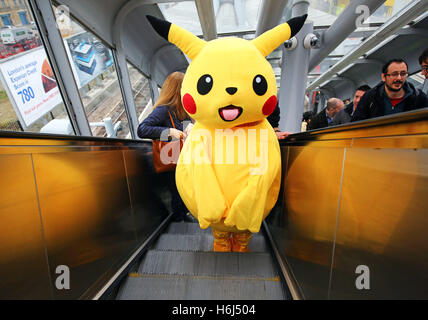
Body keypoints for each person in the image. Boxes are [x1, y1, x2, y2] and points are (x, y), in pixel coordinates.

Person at [137, 71, 193, 222]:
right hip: (169, 159)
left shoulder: (182, 110)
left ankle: (184, 216)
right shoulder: (164, 110)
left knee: (183, 190)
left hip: (182, 159)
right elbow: (142, 130)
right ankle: (179, 219)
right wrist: (169, 132)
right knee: (177, 192)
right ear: (178, 90)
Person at [351, 59, 428, 122]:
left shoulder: (419, 98)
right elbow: (356, 123)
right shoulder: (370, 97)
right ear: (384, 77)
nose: (399, 78)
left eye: (403, 74)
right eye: (394, 74)